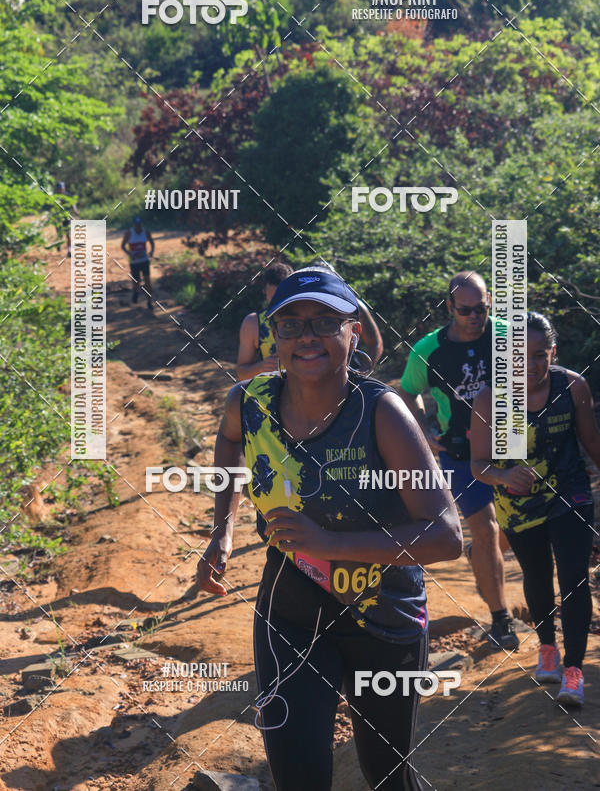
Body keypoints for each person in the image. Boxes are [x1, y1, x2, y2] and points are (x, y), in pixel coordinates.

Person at [188, 267, 462, 790]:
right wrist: (222, 530)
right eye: (290, 325)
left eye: (323, 322)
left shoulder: (380, 412)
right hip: (291, 611)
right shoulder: (250, 404)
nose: (306, 336)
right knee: (298, 776)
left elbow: (446, 535)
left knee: (388, 778)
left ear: (352, 331)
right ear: (273, 336)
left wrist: (332, 544)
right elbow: (228, 444)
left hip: (384, 616)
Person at [470, 312, 598, 706]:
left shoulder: (572, 386)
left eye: (540, 354)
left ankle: (573, 671)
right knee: (538, 576)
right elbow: (479, 465)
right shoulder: (490, 400)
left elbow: (592, 444)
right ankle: (547, 647)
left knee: (575, 577)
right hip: (518, 503)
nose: (532, 364)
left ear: (553, 352)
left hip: (570, 492)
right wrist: (504, 477)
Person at [398, 271, 518, 650]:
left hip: (511, 447)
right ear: (450, 307)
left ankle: (479, 556)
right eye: (465, 310)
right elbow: (407, 393)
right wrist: (426, 433)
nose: (474, 316)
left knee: (510, 533)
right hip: (460, 454)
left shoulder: (506, 337)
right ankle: (502, 621)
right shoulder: (428, 350)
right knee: (485, 528)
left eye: (480, 308)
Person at [309, 259, 384, 368]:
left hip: (346, 370)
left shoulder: (353, 305)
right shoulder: (296, 306)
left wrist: (364, 370)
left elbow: (375, 343)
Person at [236, 262, 293, 379]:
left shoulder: (310, 318)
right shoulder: (253, 323)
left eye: (284, 298)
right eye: (273, 299)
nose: (279, 305)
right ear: (264, 292)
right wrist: (262, 367)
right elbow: (242, 373)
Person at [121, 216, 154, 310]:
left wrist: (151, 251)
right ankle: (135, 292)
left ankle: (149, 302)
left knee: (147, 281)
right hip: (134, 262)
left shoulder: (146, 232)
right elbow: (122, 246)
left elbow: (151, 242)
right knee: (136, 282)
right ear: (133, 225)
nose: (138, 228)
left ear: (141, 225)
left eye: (139, 225)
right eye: (136, 226)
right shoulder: (129, 233)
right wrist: (129, 254)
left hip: (144, 261)